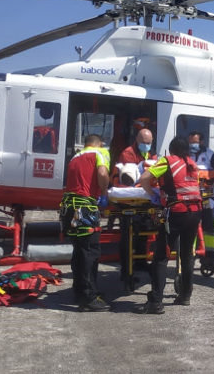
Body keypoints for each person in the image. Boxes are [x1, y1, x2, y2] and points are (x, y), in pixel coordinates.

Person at [138, 137, 203, 314]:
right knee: (187, 254)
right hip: (195, 212)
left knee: (161, 256)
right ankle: (185, 295)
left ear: (171, 150)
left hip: (176, 213)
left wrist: (153, 194)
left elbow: (144, 178)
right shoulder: (192, 164)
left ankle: (156, 302)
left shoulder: (167, 161)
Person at [60, 134, 111, 311]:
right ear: (100, 143)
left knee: (79, 251)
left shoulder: (76, 156)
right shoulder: (99, 153)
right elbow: (103, 173)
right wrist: (104, 192)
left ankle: (82, 290)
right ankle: (88, 298)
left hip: (69, 208)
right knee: (90, 252)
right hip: (84, 208)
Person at [114, 127, 157, 289]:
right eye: (144, 143)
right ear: (137, 141)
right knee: (128, 235)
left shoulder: (151, 154)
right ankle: (126, 270)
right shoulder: (128, 154)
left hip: (143, 198)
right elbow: (128, 176)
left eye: (149, 143)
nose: (147, 145)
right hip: (129, 199)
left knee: (144, 231)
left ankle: (140, 262)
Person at [189, 131, 214, 275]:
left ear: (202, 142)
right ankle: (190, 257)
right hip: (192, 198)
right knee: (191, 228)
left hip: (208, 199)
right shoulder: (187, 156)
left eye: (194, 142)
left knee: (209, 230)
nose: (192, 145)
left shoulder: (211, 155)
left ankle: (210, 259)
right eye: (190, 142)